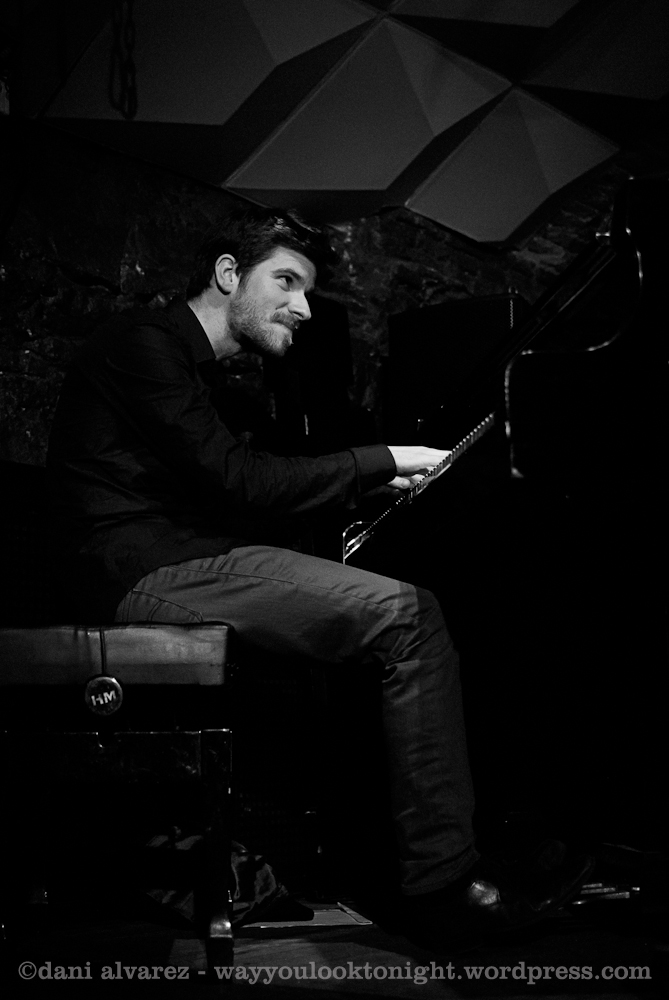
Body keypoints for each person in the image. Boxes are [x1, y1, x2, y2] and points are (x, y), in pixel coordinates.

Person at [47, 206, 590, 951]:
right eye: (286, 282)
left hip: (168, 557)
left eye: (306, 290)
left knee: (390, 626)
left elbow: (239, 487)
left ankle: (383, 862)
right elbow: (241, 481)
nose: (303, 308)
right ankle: (443, 886)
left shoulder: (191, 372)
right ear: (228, 274)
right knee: (407, 614)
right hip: (139, 567)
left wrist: (363, 489)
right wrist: (383, 459)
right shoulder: (144, 343)